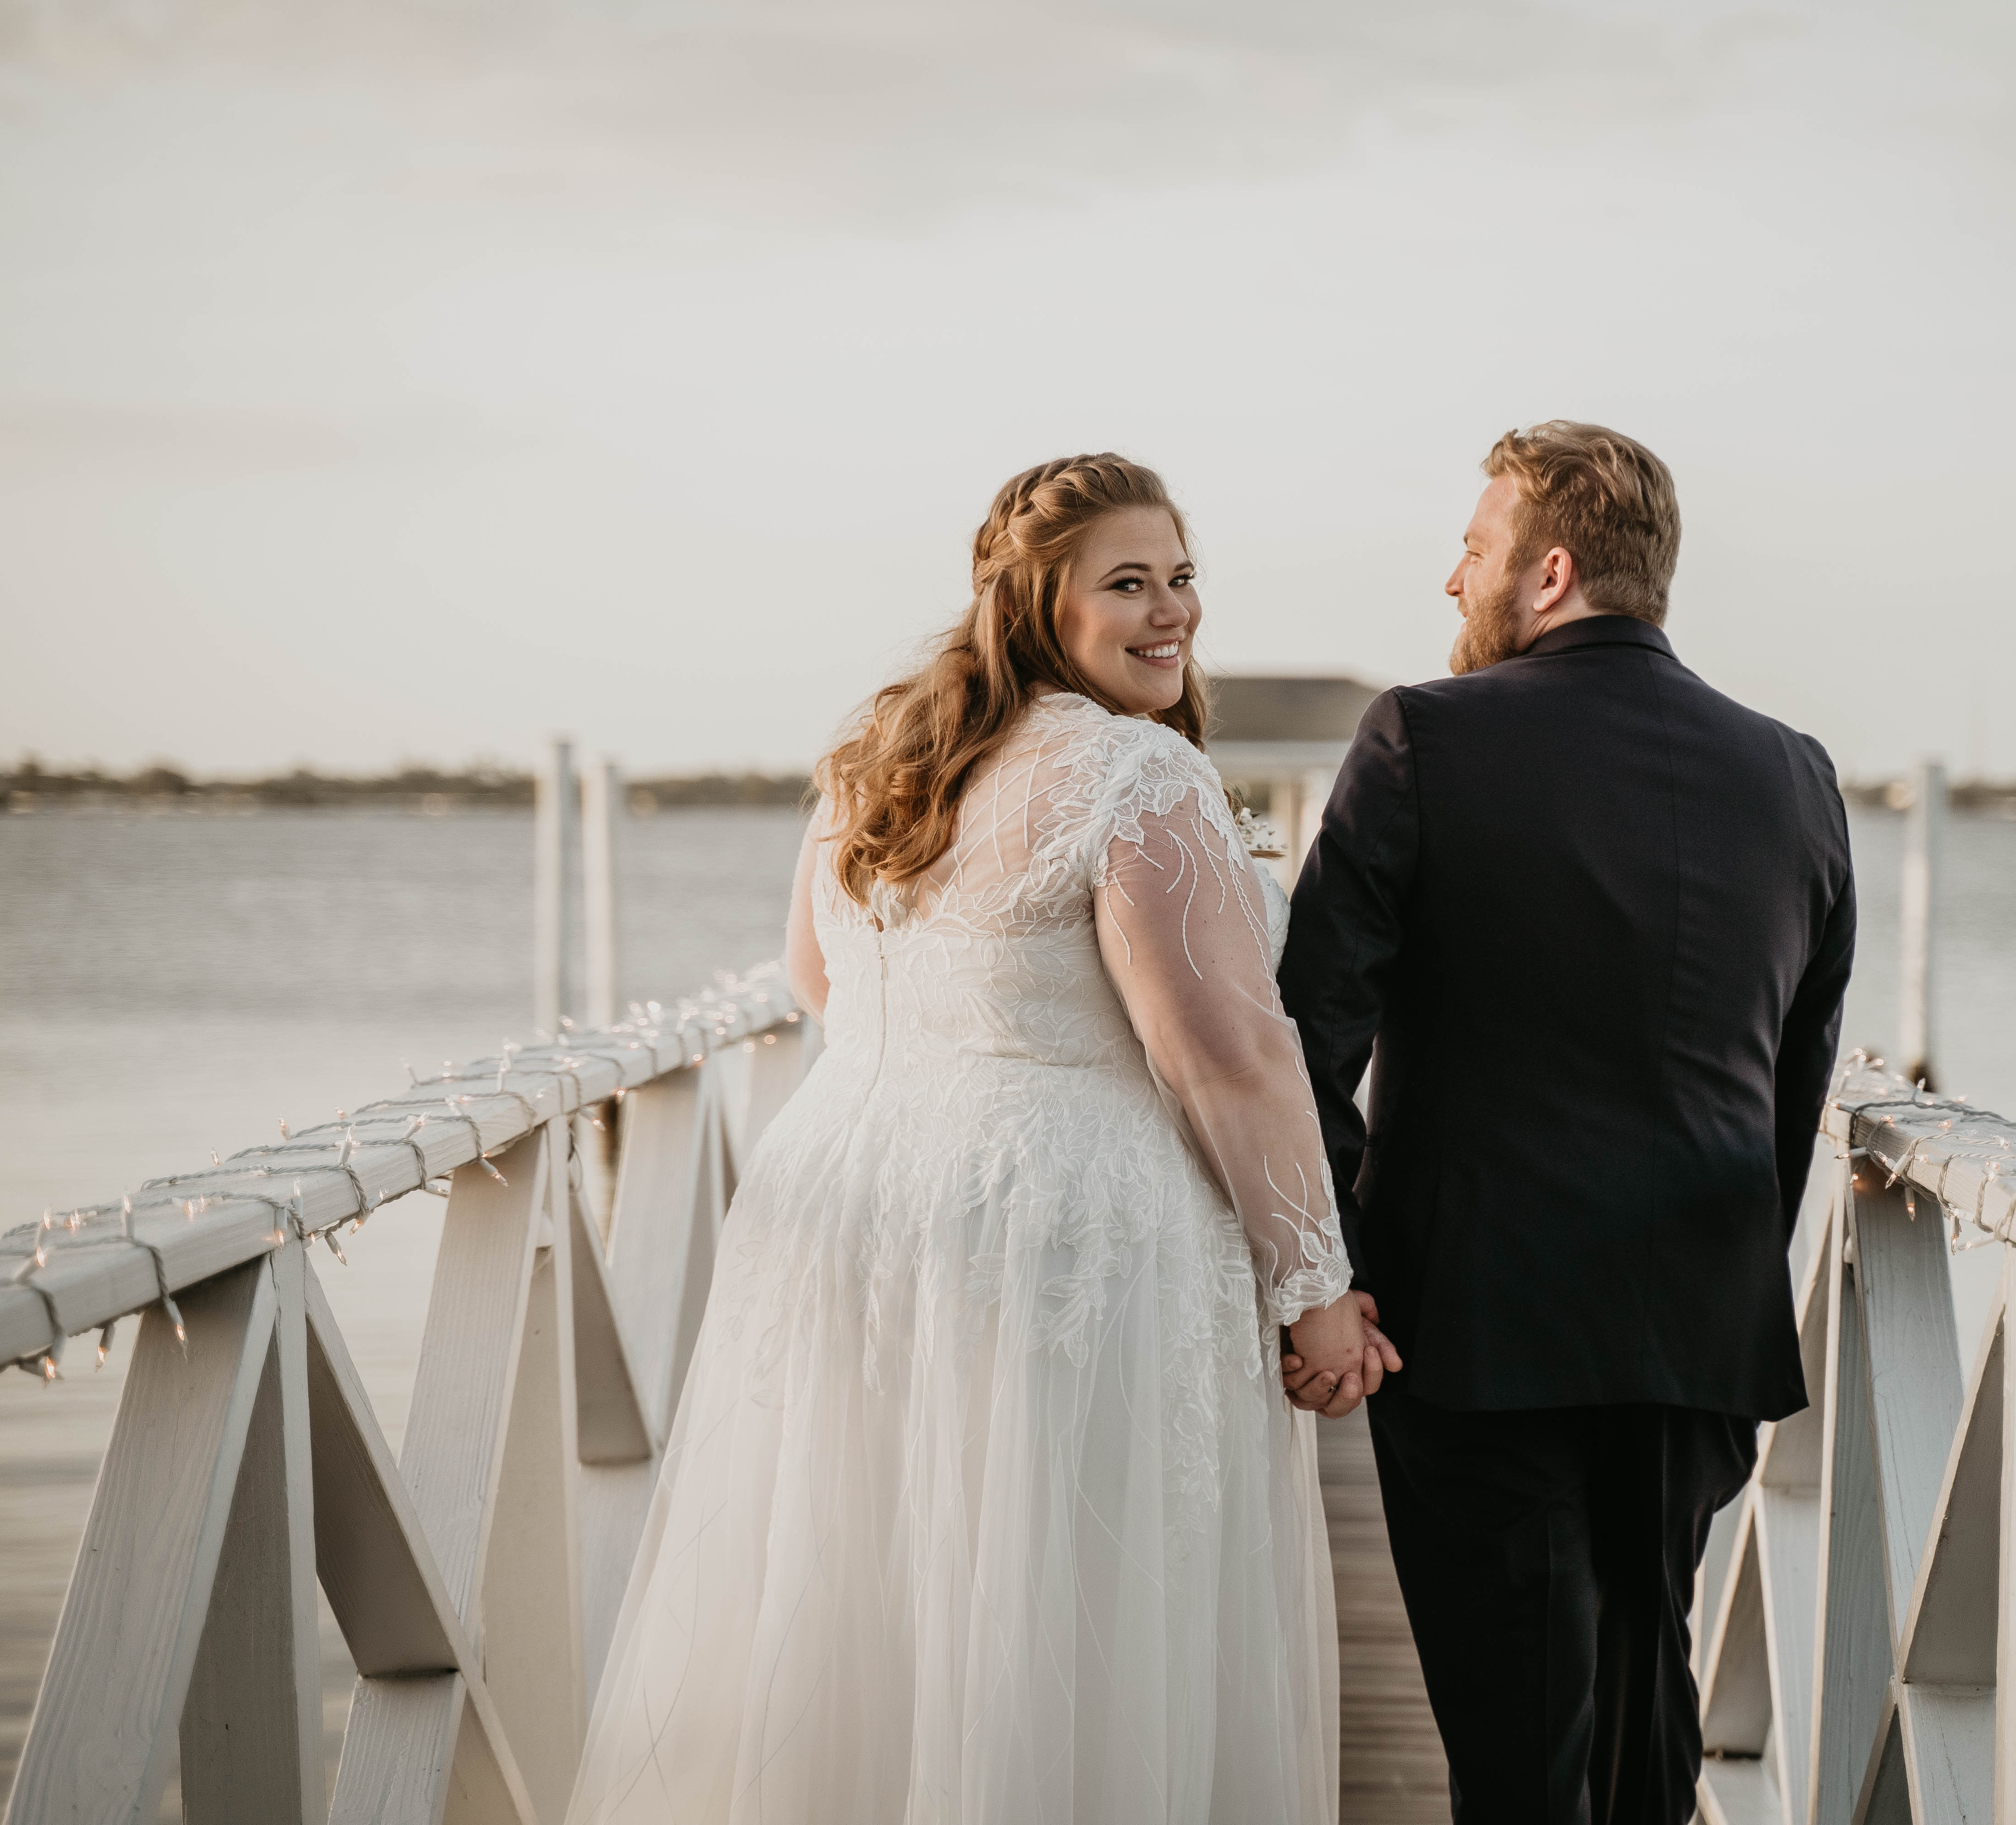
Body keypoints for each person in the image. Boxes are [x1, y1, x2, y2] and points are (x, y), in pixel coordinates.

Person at [567, 453, 1395, 1825]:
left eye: (1182, 579)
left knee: (879, 1599)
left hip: (849, 1199)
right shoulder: (1140, 778)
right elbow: (1228, 1059)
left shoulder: (874, 760)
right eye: (1126, 584)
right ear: (1035, 605)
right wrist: (1315, 1296)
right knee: (1060, 1601)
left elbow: (820, 986)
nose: (1169, 612)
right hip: (1066, 1230)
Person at [1275, 422, 1856, 1824]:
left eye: (1471, 550)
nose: (1450, 578)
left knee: (1520, 1747)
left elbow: (1310, 1033)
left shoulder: (1424, 736)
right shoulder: (1796, 772)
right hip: (1698, 1331)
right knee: (1646, 1734)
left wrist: (1332, 1272)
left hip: (1478, 1326)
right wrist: (1730, 1270)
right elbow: (1798, 1077)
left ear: (1546, 572)